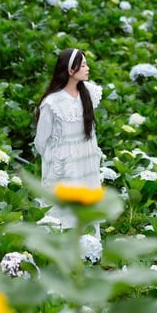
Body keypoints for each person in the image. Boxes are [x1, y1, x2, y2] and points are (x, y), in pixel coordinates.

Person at [34, 48, 104, 230]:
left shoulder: (89, 92)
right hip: (63, 164)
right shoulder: (52, 103)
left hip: (86, 162)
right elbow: (41, 141)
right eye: (82, 65)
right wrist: (58, 158)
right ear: (70, 70)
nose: (87, 68)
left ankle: (89, 249)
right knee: (63, 206)